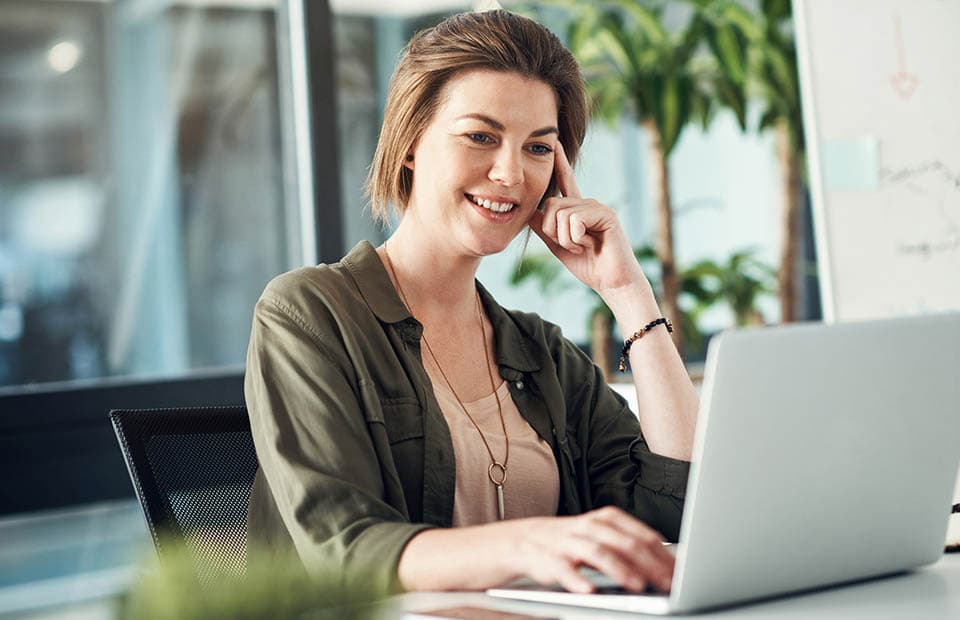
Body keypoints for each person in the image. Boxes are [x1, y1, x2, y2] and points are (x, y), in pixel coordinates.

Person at [244, 9, 699, 597]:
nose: (511, 172)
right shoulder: (309, 313)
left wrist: (629, 296)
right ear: (410, 143)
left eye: (538, 148)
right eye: (481, 136)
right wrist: (528, 544)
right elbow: (346, 549)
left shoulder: (541, 353)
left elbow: (676, 508)